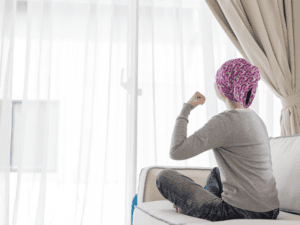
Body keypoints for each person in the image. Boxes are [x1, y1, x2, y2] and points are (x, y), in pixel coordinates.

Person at [156, 58, 280, 221]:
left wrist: (187, 108)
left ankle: (192, 206)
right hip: (271, 210)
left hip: (240, 212)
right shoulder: (256, 119)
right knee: (217, 173)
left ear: (223, 89)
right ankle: (196, 204)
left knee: (164, 176)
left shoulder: (225, 122)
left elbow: (176, 151)